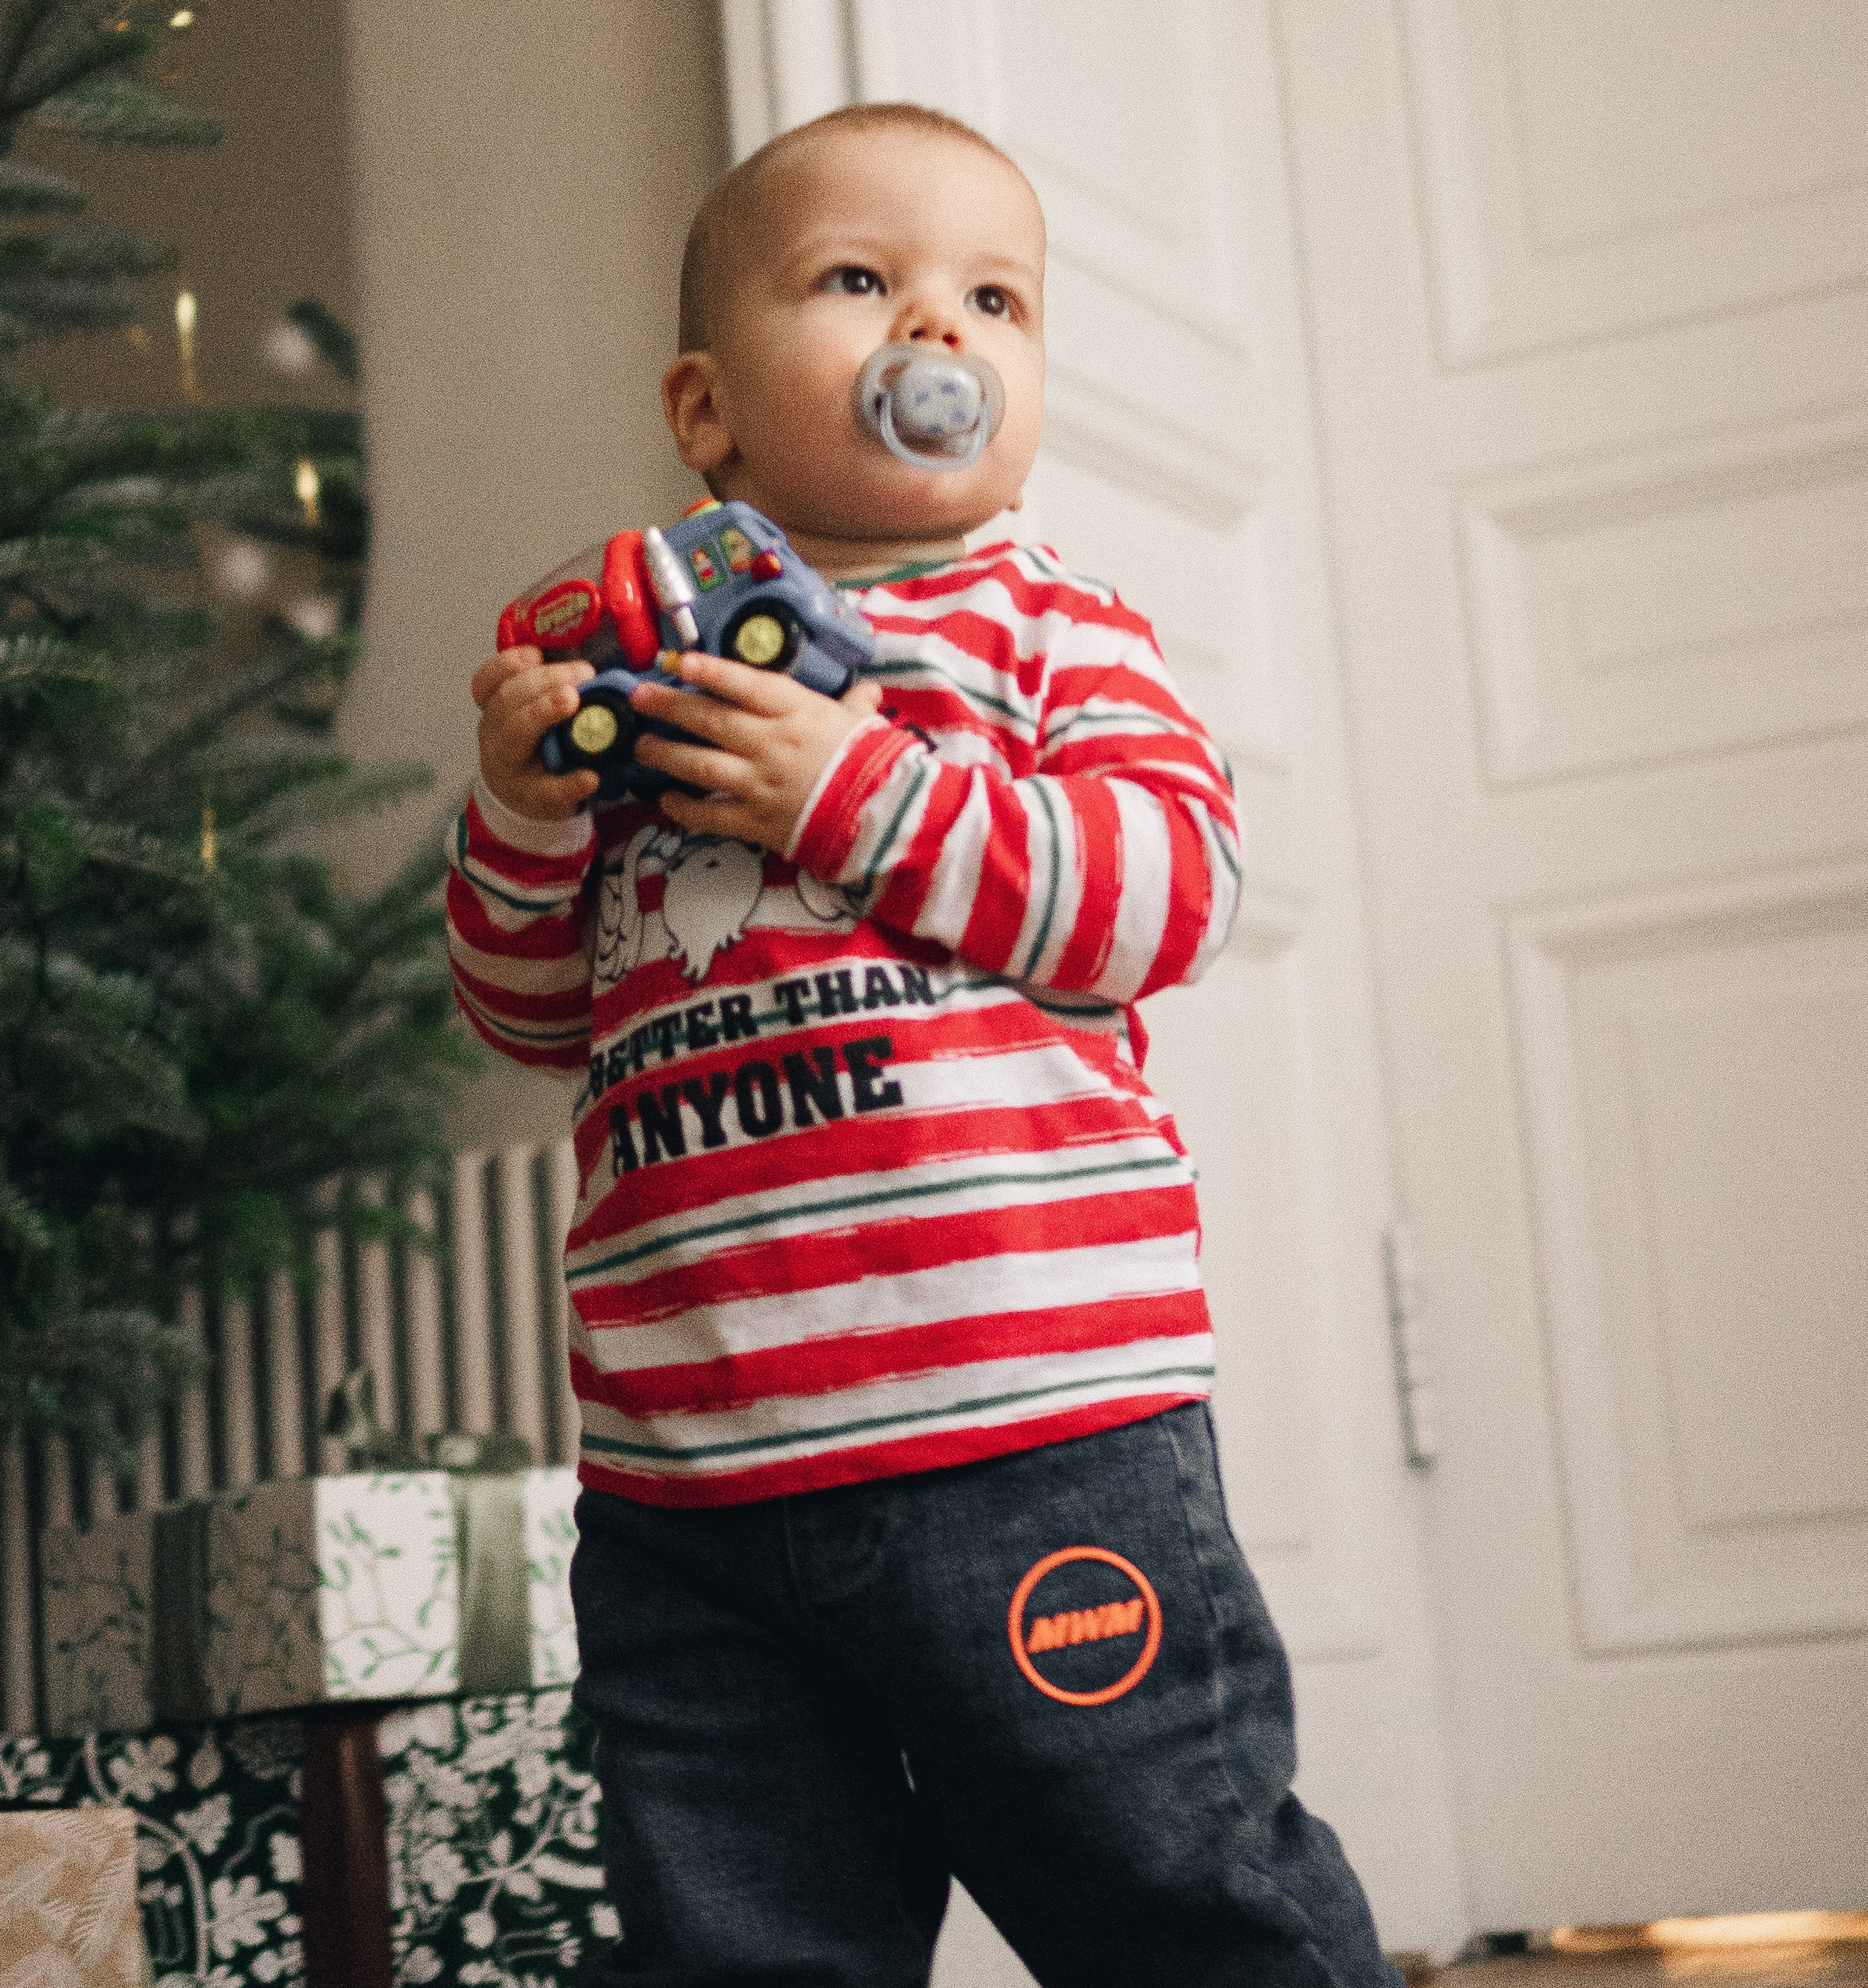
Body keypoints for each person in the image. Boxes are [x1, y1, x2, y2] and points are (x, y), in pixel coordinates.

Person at [449, 104, 1401, 1988]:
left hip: (1033, 1429)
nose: (938, 337)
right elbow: (531, 1013)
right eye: (862, 283)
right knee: (742, 1936)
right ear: (705, 408)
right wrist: (528, 813)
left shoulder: (1050, 630)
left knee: (1170, 1885)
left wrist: (850, 791)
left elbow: (1163, 892)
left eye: (994, 300)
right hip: (690, 1478)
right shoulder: (635, 664)